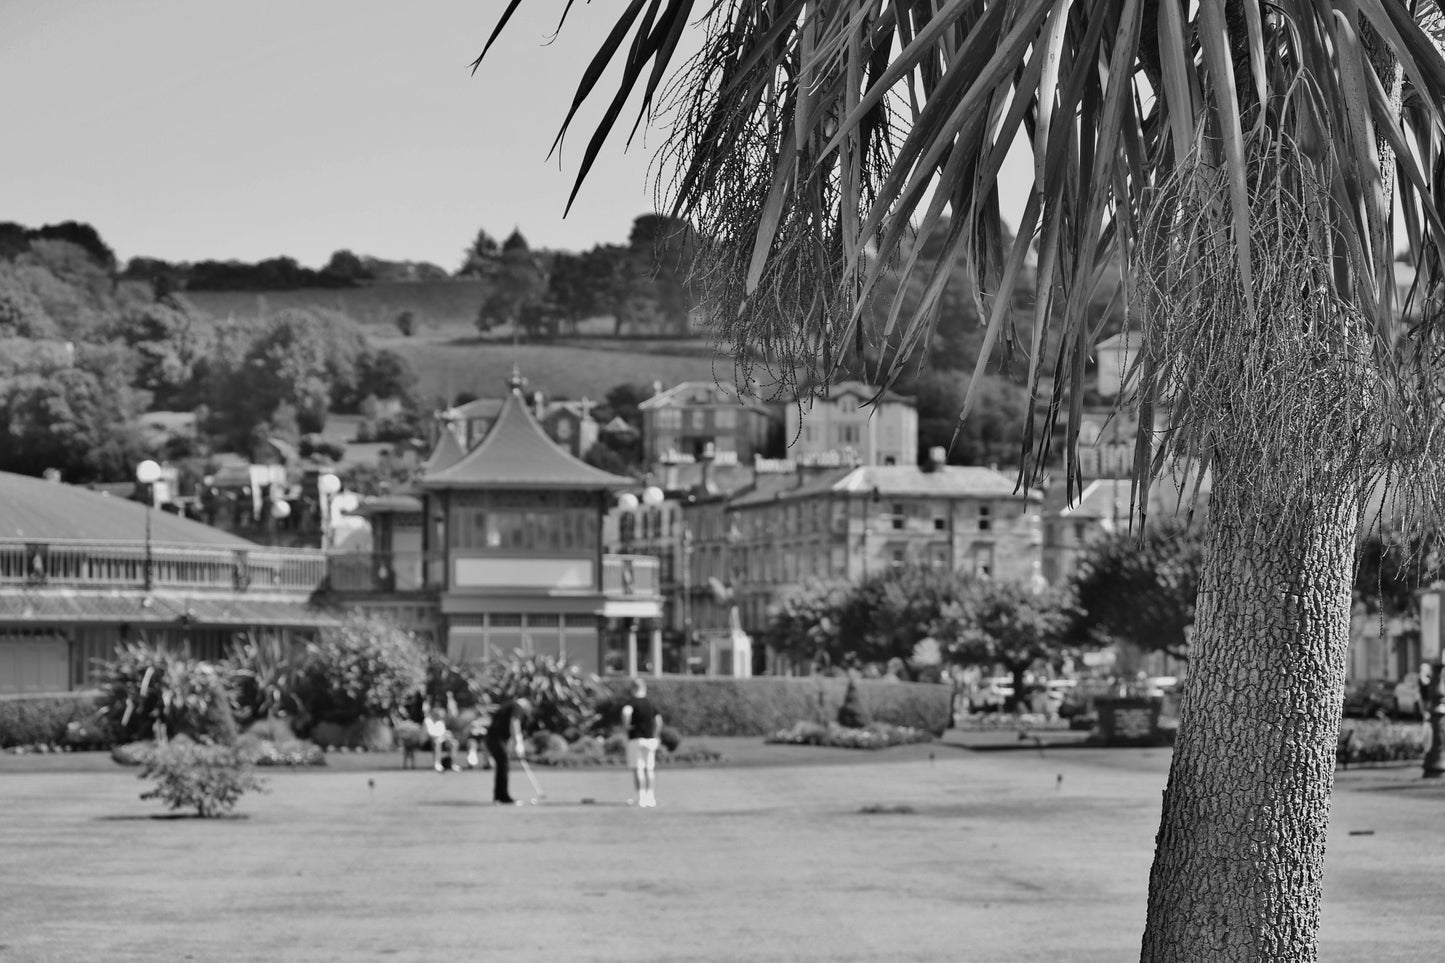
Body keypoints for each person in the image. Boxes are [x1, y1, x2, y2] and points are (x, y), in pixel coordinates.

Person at [620, 679, 663, 808]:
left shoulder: (631, 703)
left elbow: (625, 714)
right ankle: (651, 797)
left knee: (638, 768)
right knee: (649, 768)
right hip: (650, 739)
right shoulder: (650, 703)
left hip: (636, 739)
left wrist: (626, 727)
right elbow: (658, 720)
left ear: (633, 689)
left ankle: (641, 797)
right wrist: (655, 735)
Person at [484, 697, 532, 805]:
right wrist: (519, 743)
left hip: (493, 738)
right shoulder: (517, 707)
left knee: (502, 765)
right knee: (503, 764)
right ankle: (503, 797)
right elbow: (514, 722)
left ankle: (500, 796)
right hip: (496, 738)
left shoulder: (508, 705)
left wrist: (512, 745)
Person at [423, 703, 461, 773]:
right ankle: (437, 764)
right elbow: (430, 733)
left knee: (454, 743)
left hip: (442, 740)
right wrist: (440, 736)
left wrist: (446, 736)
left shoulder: (440, 721)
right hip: (429, 742)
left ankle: (452, 764)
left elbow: (443, 732)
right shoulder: (427, 720)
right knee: (437, 742)